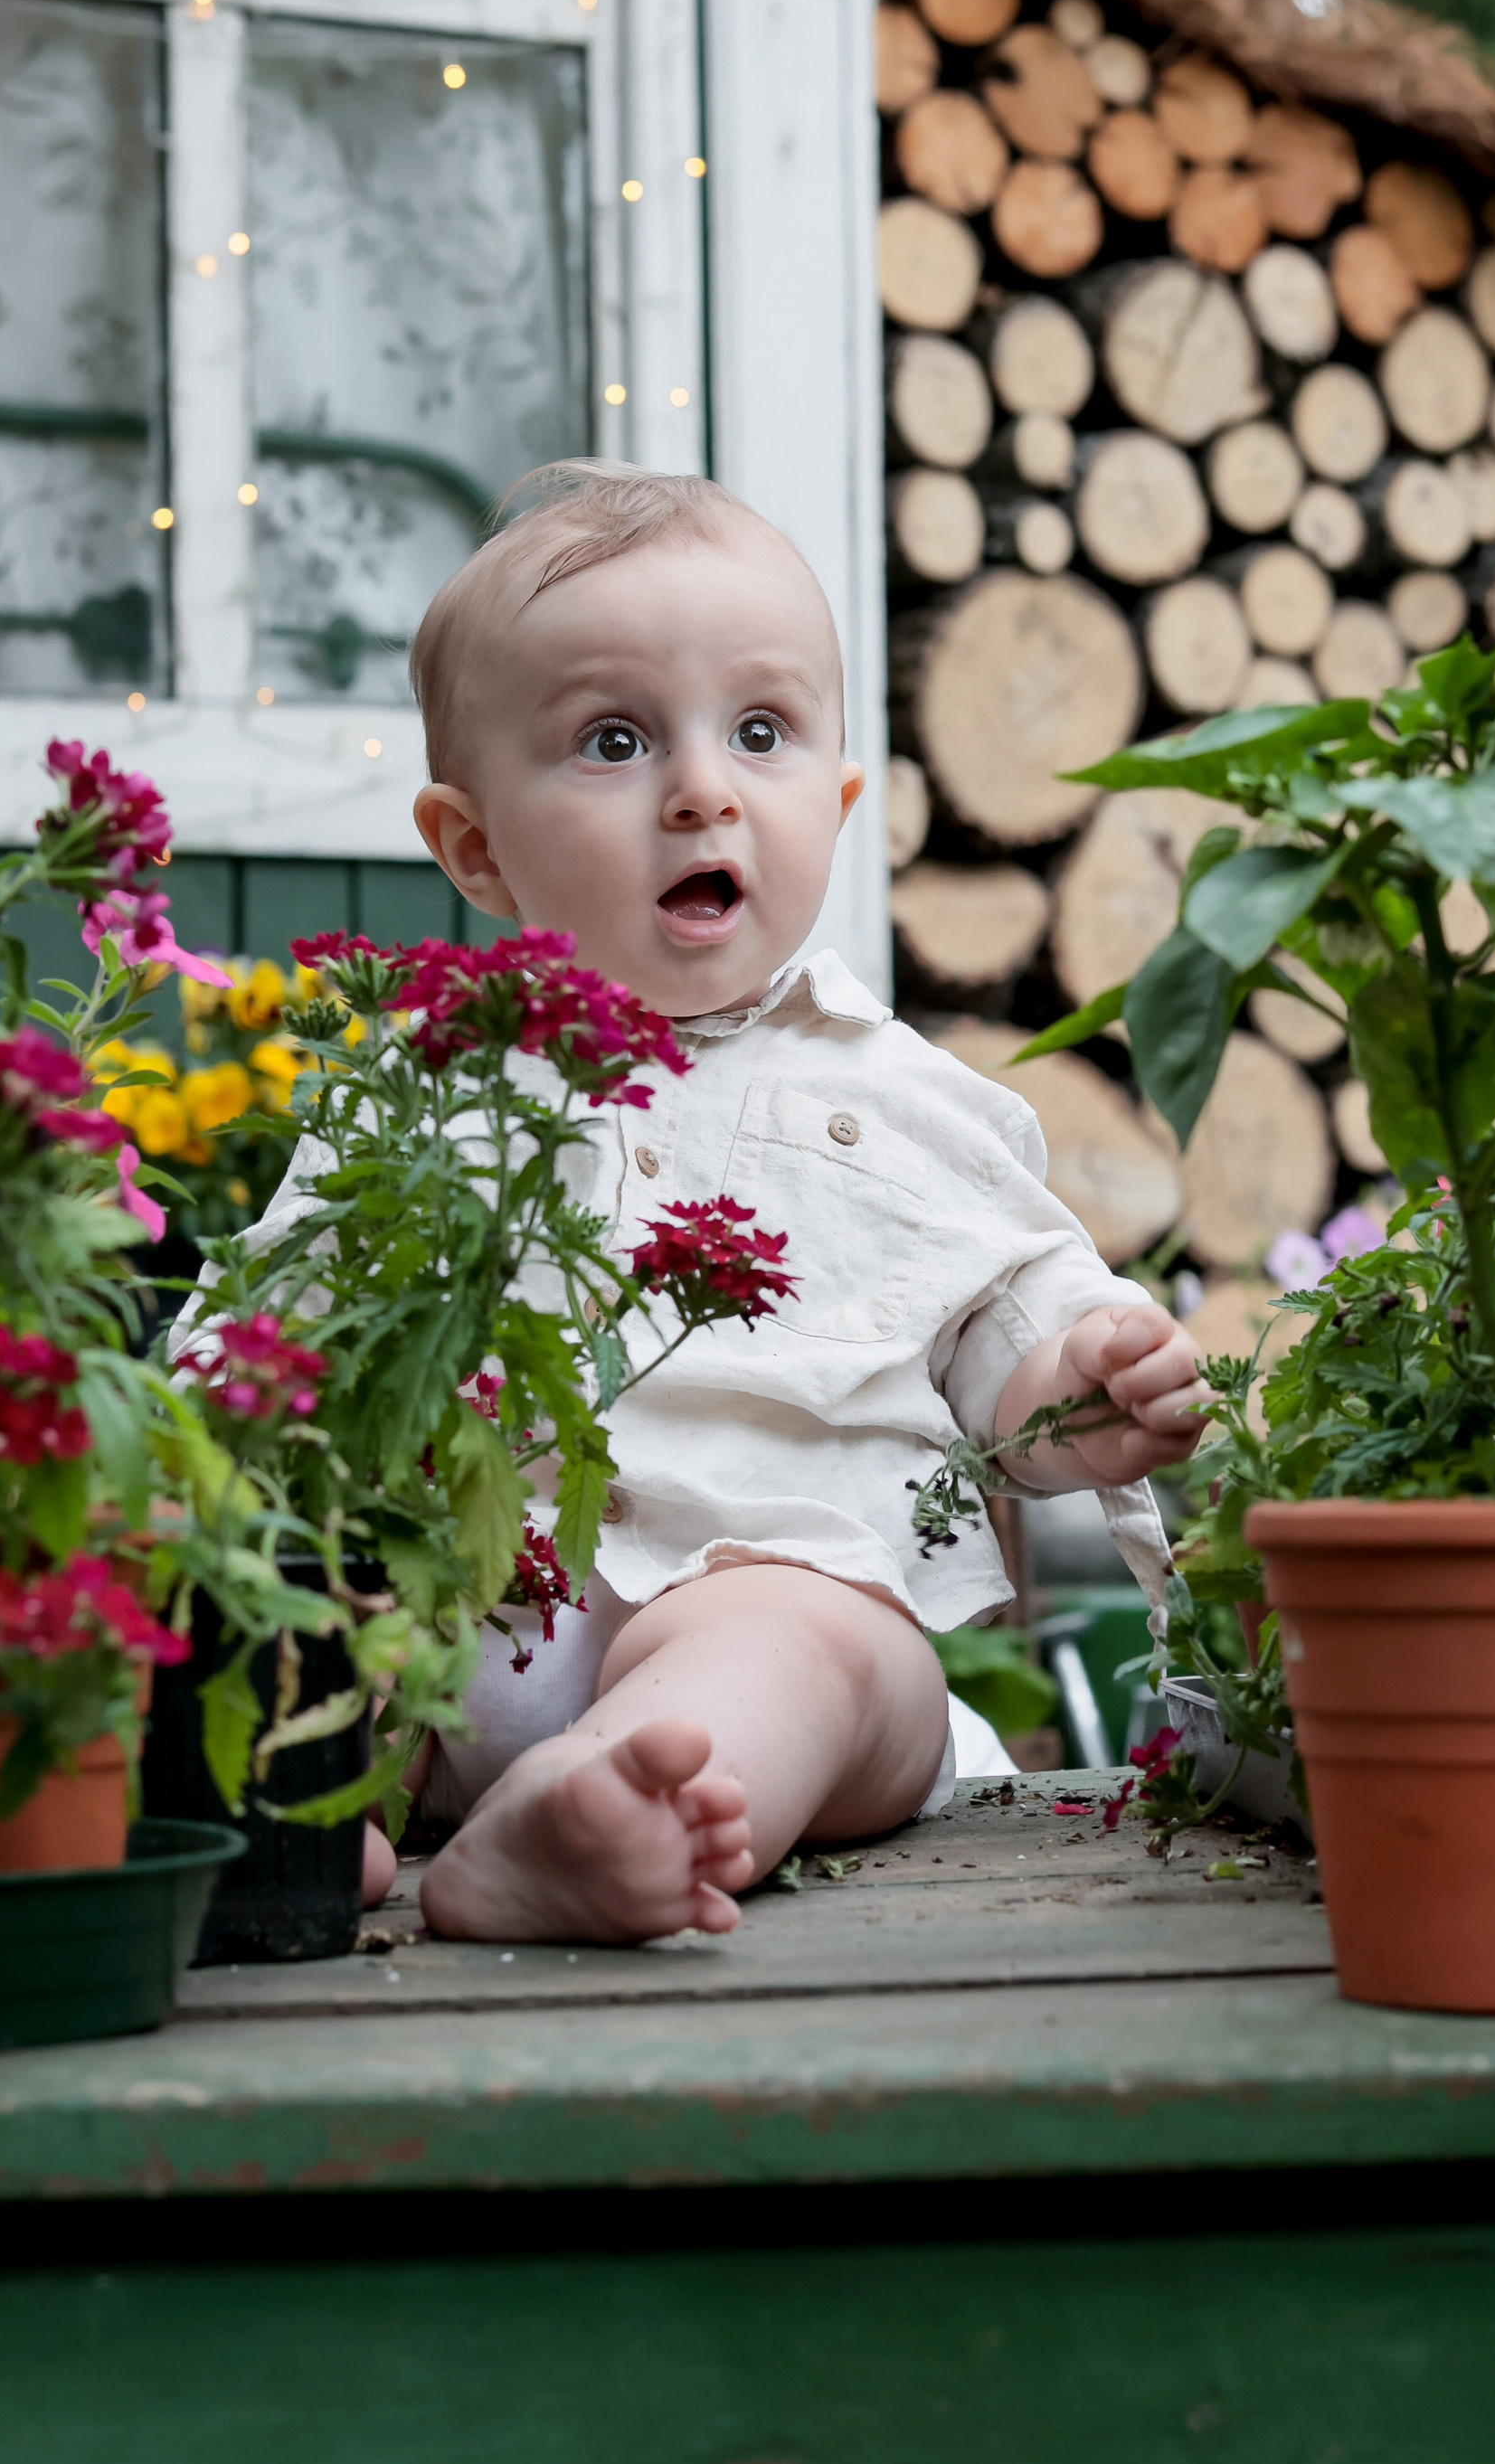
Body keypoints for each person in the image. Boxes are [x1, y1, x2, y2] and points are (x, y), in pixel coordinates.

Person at [263, 462, 1206, 1945]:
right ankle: (315, 1827)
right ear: (475, 847)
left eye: (759, 732)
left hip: (775, 1620)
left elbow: (1009, 1355)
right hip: (455, 1616)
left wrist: (1086, 1394)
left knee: (814, 1637)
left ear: (834, 802)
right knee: (289, 1596)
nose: (704, 788)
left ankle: (597, 1810)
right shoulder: (416, 1102)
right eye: (616, 740)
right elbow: (266, 1355)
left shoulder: (898, 1099)